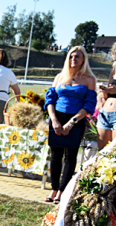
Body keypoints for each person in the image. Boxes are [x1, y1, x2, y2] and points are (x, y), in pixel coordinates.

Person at [44, 46, 97, 204]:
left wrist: (72, 122)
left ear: (83, 60)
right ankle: (53, 189)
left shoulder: (89, 79)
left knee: (70, 156)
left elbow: (89, 105)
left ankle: (62, 191)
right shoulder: (60, 77)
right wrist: (54, 119)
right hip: (57, 118)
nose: (74, 59)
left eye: (78, 57)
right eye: (71, 56)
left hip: (76, 120)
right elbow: (50, 100)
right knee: (55, 155)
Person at [96, 42, 116, 150]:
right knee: (103, 153)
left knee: (114, 153)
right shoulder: (113, 70)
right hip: (105, 114)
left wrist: (110, 89)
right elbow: (108, 92)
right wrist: (102, 93)